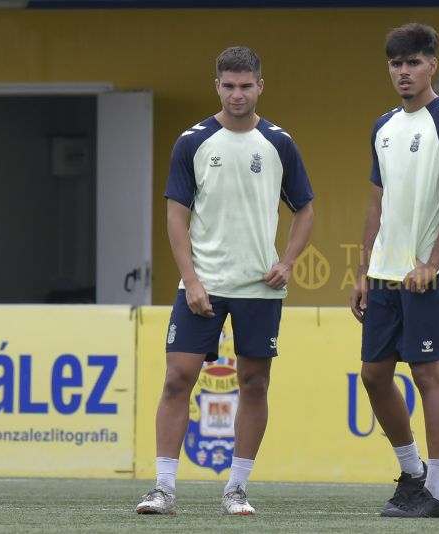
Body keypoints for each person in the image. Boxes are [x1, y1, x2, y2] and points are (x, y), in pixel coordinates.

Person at [136, 46, 314, 516]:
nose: (238, 94)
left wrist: (289, 261)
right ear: (217, 86)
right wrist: (191, 279)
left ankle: (236, 488)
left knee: (254, 384)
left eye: (246, 85)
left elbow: (306, 208)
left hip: (259, 287)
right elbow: (176, 216)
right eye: (229, 86)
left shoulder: (280, 142)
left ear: (260, 85)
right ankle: (163, 489)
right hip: (204, 285)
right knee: (178, 379)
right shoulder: (192, 141)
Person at [350, 23, 439, 518]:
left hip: (430, 274)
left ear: (432, 65)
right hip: (383, 274)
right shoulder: (383, 126)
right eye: (396, 64)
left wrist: (431, 262)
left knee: (428, 376)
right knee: (374, 376)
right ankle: (413, 473)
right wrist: (362, 271)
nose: (404, 72)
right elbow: (376, 203)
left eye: (414, 62)